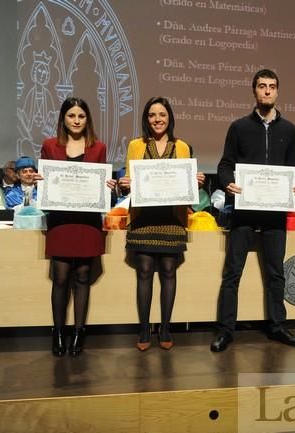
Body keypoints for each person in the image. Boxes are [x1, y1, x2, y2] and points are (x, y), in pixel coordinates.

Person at [211, 69, 295, 352]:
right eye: (262, 86)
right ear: (254, 91)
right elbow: (225, 165)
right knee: (232, 273)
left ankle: (277, 326)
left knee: (277, 273)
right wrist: (228, 183)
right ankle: (226, 330)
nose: (267, 91)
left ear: (277, 91)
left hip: (275, 212)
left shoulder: (290, 130)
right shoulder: (239, 127)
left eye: (271, 86)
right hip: (244, 211)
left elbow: (292, 169)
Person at [117, 96, 205, 351]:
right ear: (146, 119)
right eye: (152, 115)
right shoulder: (135, 145)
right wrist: (125, 183)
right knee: (143, 271)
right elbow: (128, 178)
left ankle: (165, 327)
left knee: (168, 271)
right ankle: (144, 328)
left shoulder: (183, 147)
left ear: (170, 118)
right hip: (143, 219)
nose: (157, 120)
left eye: (162, 115)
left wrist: (194, 182)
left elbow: (185, 186)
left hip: (172, 219)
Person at [41, 97, 115, 357]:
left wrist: (109, 186)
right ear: (63, 118)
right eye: (71, 116)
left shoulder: (98, 147)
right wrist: (43, 183)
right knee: (60, 278)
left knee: (83, 277)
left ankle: (79, 331)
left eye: (81, 116)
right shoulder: (50, 146)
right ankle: (58, 331)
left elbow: (102, 181)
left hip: (88, 222)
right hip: (61, 222)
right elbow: (47, 185)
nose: (76, 120)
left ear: (87, 120)